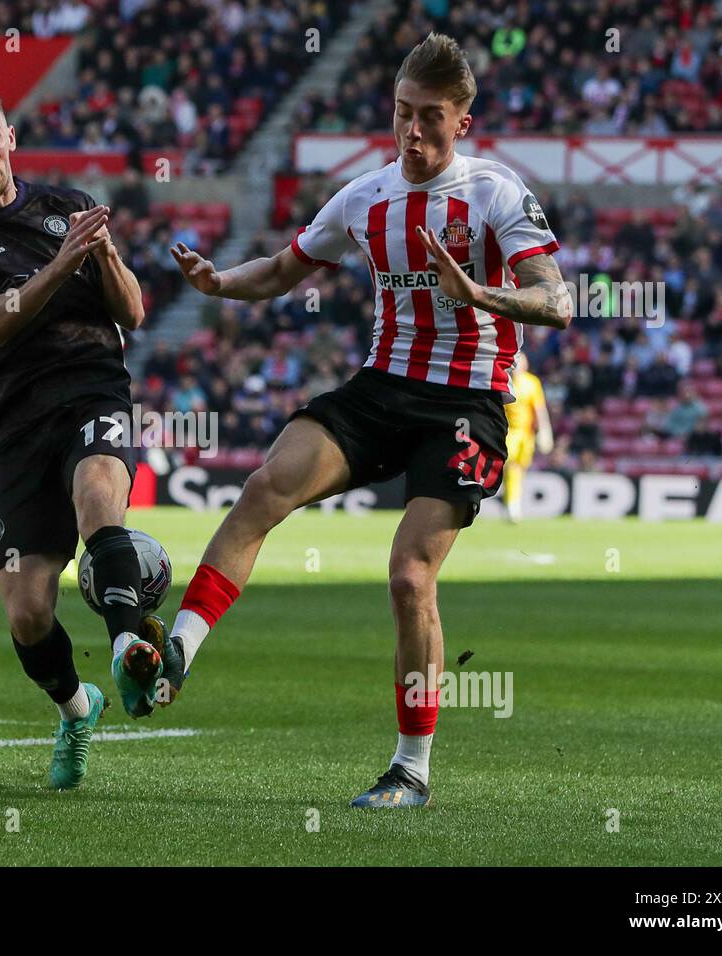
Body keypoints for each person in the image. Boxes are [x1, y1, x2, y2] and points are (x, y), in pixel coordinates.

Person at [165, 33, 570, 808]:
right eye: (401, 114)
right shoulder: (366, 197)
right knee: (265, 485)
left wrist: (481, 295)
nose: (412, 133)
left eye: (430, 119)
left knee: (409, 576)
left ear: (463, 121)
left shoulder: (495, 193)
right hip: (381, 385)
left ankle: (411, 769)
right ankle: (178, 650)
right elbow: (286, 269)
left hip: (467, 403)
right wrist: (219, 283)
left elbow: (558, 299)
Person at [0, 85, 159, 791]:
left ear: (12, 138)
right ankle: (78, 707)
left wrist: (106, 253)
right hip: (20, 423)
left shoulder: (67, 208)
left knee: (97, 501)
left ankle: (128, 650)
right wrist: (61, 266)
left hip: (94, 389)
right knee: (27, 614)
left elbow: (135, 313)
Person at [503, 352, 554, 522]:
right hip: (508, 431)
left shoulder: (532, 383)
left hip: (526, 434)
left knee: (518, 468)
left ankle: (513, 504)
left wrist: (545, 432)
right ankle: (511, 504)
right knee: (508, 465)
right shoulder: (504, 380)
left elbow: (539, 409)